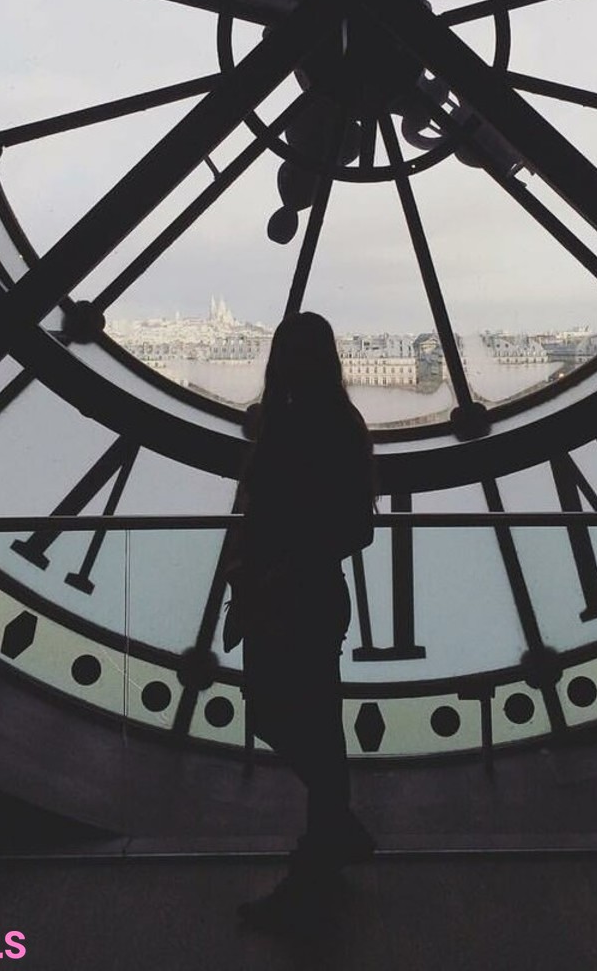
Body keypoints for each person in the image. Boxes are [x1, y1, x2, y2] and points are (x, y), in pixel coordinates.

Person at [225, 311, 377, 932]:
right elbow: (353, 527)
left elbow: (266, 511)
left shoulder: (282, 427)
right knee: (316, 724)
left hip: (279, 597)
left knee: (278, 716)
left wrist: (256, 571)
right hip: (309, 597)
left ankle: (330, 839)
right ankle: (327, 839)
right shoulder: (338, 427)